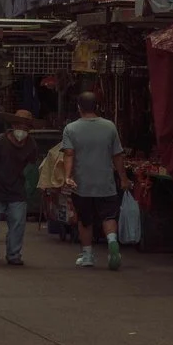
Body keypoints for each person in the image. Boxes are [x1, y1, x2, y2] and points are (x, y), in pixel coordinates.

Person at [59, 91, 126, 269]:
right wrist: (124, 178)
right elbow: (117, 155)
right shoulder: (110, 126)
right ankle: (112, 242)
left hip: (82, 185)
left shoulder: (70, 129)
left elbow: (69, 154)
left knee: (85, 220)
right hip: (106, 183)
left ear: (79, 107)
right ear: (97, 107)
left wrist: (67, 177)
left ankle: (87, 256)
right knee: (109, 216)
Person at [0, 109, 43, 264]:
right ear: (13, 125)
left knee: (18, 221)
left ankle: (14, 255)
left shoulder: (31, 145)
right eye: (20, 126)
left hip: (16, 188)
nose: (22, 130)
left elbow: (31, 165)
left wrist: (28, 185)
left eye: (26, 127)